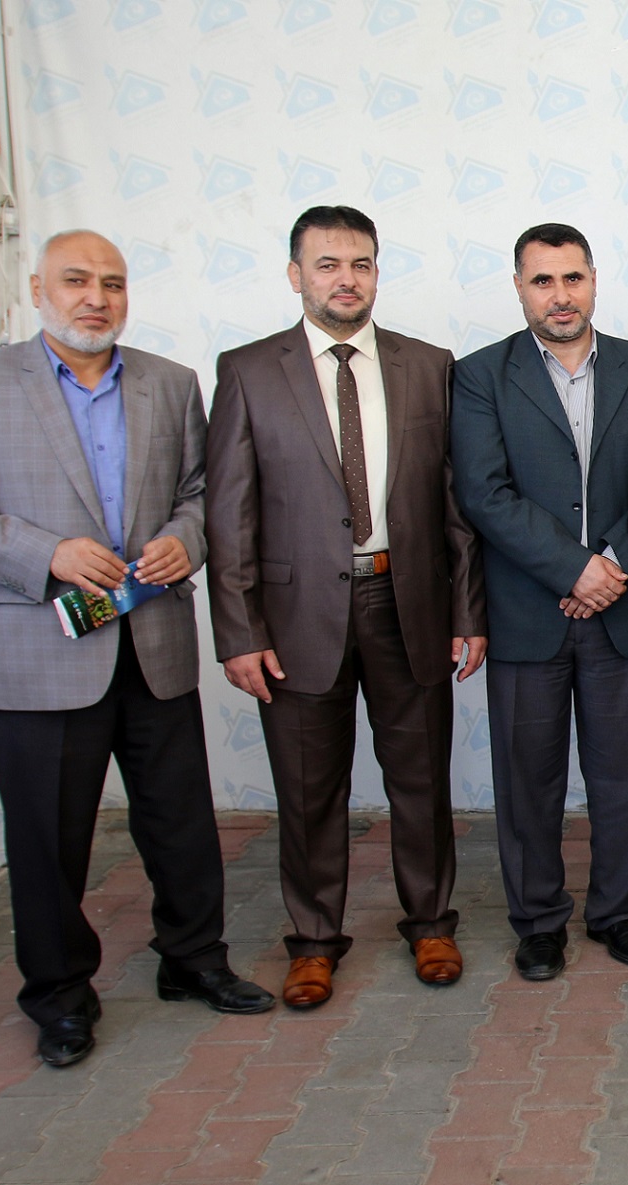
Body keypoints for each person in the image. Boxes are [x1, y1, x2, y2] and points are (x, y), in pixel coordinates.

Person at [0, 230, 274, 1067]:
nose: (96, 298)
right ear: (37, 288)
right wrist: (47, 553)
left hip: (152, 643)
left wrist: (187, 538)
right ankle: (59, 996)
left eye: (112, 283)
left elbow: (204, 492)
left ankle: (194, 959)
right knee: (48, 840)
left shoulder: (170, 382)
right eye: (76, 280)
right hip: (39, 654)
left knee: (182, 824)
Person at [205, 205, 487, 1010]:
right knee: (308, 790)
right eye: (327, 264)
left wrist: (468, 613)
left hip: (409, 604)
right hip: (296, 619)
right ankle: (313, 941)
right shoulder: (248, 371)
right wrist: (239, 631)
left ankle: (431, 922)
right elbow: (229, 515)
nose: (346, 279)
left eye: (360, 263)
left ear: (377, 272)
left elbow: (457, 507)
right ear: (296, 274)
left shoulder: (428, 366)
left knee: (420, 781)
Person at [451, 223, 628, 980]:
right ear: (519, 287)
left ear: (595, 280)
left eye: (573, 277)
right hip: (527, 612)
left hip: (623, 606)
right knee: (528, 782)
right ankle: (539, 921)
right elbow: (484, 494)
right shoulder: (480, 375)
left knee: (623, 778)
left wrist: (611, 565)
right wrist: (574, 571)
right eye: (542, 280)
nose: (560, 295)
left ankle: (619, 913)